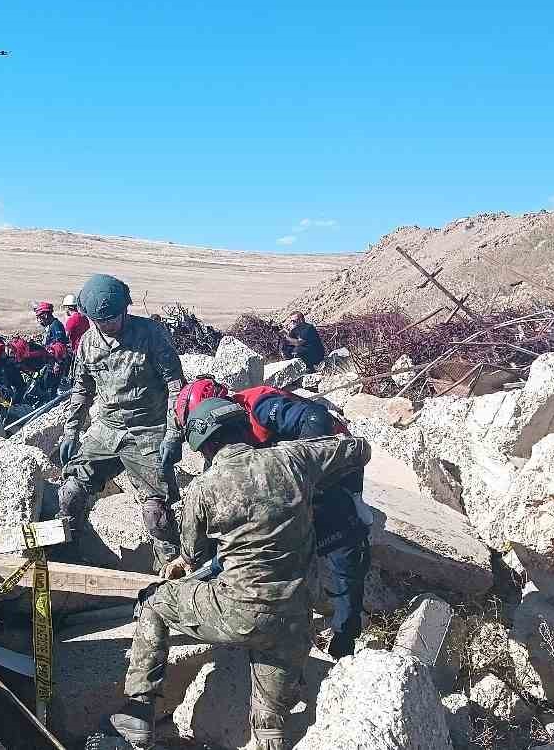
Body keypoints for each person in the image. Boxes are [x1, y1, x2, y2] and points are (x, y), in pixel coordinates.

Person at [109, 397, 371, 749]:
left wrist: (179, 566)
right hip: (292, 621)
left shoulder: (203, 489)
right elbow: (359, 448)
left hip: (237, 612)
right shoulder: (291, 458)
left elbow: (192, 555)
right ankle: (269, 730)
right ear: (244, 428)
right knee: (270, 725)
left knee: (155, 602)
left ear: (203, 445)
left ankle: (140, 707)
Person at [175, 376, 370, 658]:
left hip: (329, 466)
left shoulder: (260, 406)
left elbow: (316, 419)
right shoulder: (221, 437)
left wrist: (297, 474)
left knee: (341, 542)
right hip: (289, 474)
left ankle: (346, 633)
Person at [55, 274, 186, 567]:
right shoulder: (87, 343)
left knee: (158, 515)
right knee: (70, 493)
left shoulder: (150, 333)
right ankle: (69, 556)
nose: (109, 325)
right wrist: (71, 431)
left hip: (147, 431)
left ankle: (172, 572)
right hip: (107, 429)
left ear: (125, 309)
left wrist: (172, 435)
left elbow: (176, 386)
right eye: (101, 321)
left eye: (113, 318)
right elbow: (82, 389)